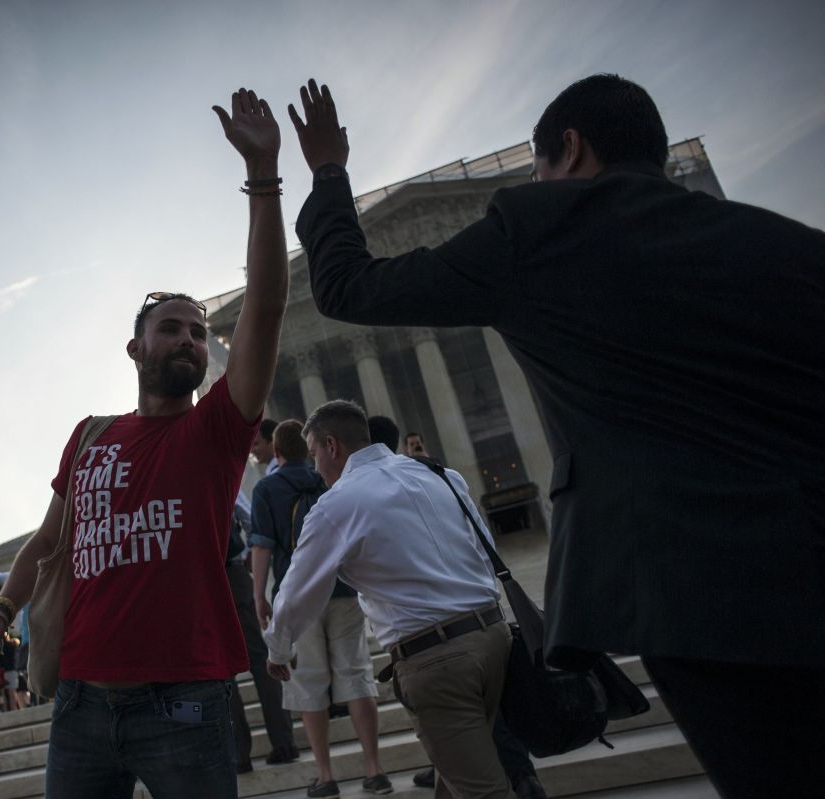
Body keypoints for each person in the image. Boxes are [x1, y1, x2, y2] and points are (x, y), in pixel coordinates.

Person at [287, 74, 825, 797]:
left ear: (568, 149)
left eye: (539, 167)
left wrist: (327, 169)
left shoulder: (537, 232)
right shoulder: (784, 244)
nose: (537, 180)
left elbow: (348, 284)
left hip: (690, 585)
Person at [0, 86, 289, 799]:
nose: (189, 339)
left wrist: (263, 181)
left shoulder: (217, 428)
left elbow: (265, 305)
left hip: (186, 701)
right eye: (171, 327)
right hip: (80, 702)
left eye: (199, 333)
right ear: (135, 348)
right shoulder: (90, 436)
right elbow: (46, 546)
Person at [265, 400, 511, 798]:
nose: (315, 468)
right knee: (460, 774)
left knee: (480, 788)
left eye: (313, 455)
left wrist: (278, 648)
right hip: (494, 636)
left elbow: (298, 591)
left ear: (332, 446)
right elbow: (484, 547)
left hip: (435, 658)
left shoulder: (336, 505)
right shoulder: (439, 474)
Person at [368, 416, 546, 799]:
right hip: (483, 618)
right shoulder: (440, 477)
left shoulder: (408, 483)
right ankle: (519, 777)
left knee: (480, 719)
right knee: (485, 715)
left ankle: (517, 777)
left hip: (444, 637)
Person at [250, 419, 387, 798]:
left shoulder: (267, 489)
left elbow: (261, 546)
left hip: (300, 597)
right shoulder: (327, 479)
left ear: (277, 452)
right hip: (344, 589)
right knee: (357, 674)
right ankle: (374, 768)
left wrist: (259, 595)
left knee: (308, 682)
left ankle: (325, 775)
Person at [224, 501, 300, 774]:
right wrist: (245, 554)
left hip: (203, 582)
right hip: (234, 574)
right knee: (257, 657)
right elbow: (250, 520)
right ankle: (283, 742)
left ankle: (238, 754)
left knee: (222, 670)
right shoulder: (219, 475)